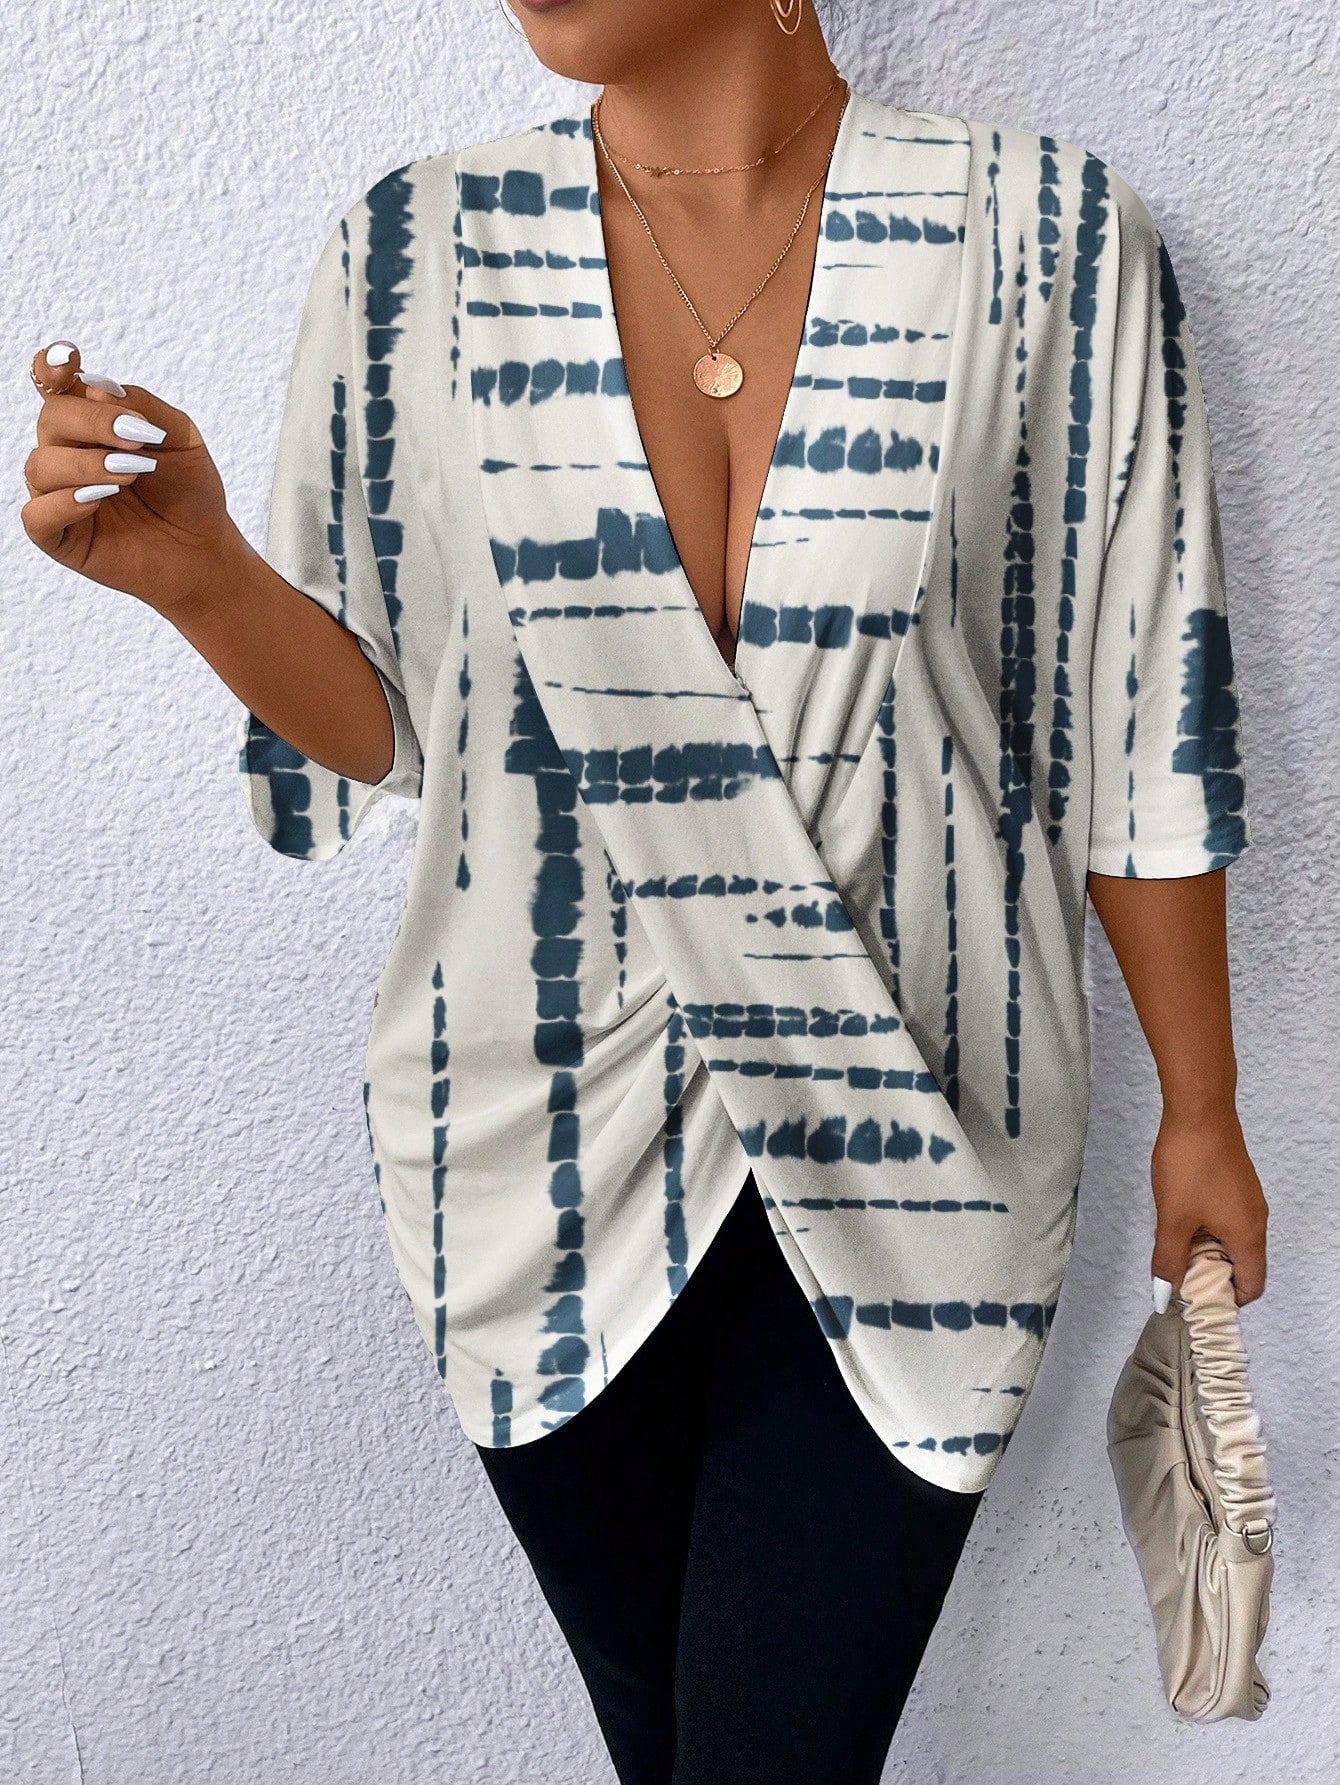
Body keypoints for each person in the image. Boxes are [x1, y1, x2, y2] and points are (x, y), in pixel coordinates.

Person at [21, 1, 1268, 1779]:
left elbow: (1138, 707)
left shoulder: (1045, 235)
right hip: (529, 1151)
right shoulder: (419, 252)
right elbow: (400, 734)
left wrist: (1204, 1106)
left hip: (922, 1125)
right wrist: (203, 575)